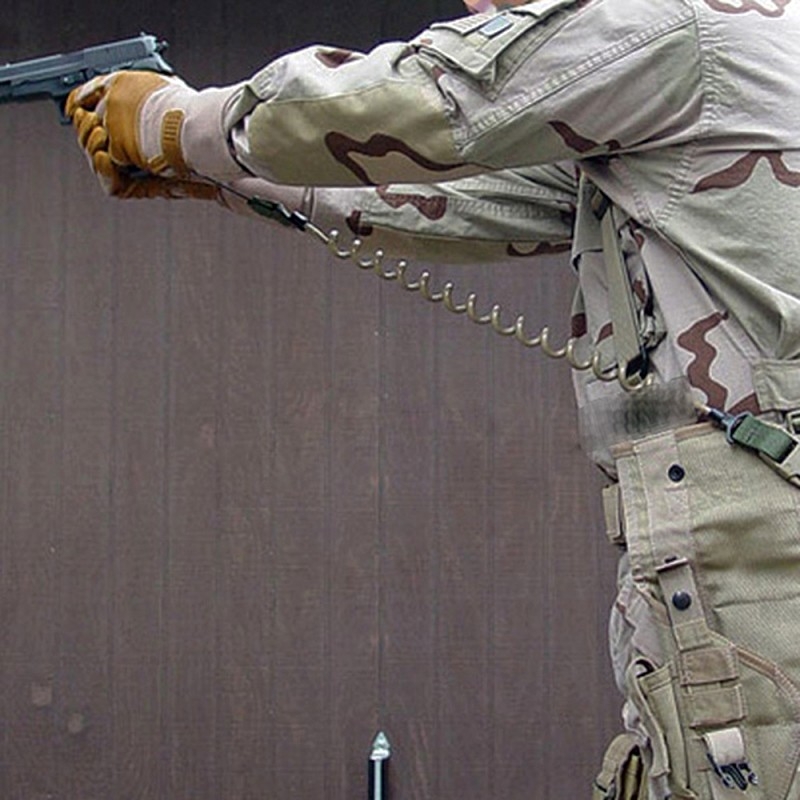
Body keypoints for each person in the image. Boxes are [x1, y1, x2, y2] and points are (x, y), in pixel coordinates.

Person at [66, 0, 800, 797]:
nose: (479, 10)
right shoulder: (697, 59)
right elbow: (469, 197)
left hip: (757, 534)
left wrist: (177, 122)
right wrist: (217, 173)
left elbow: (416, 98)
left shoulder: (668, 22)